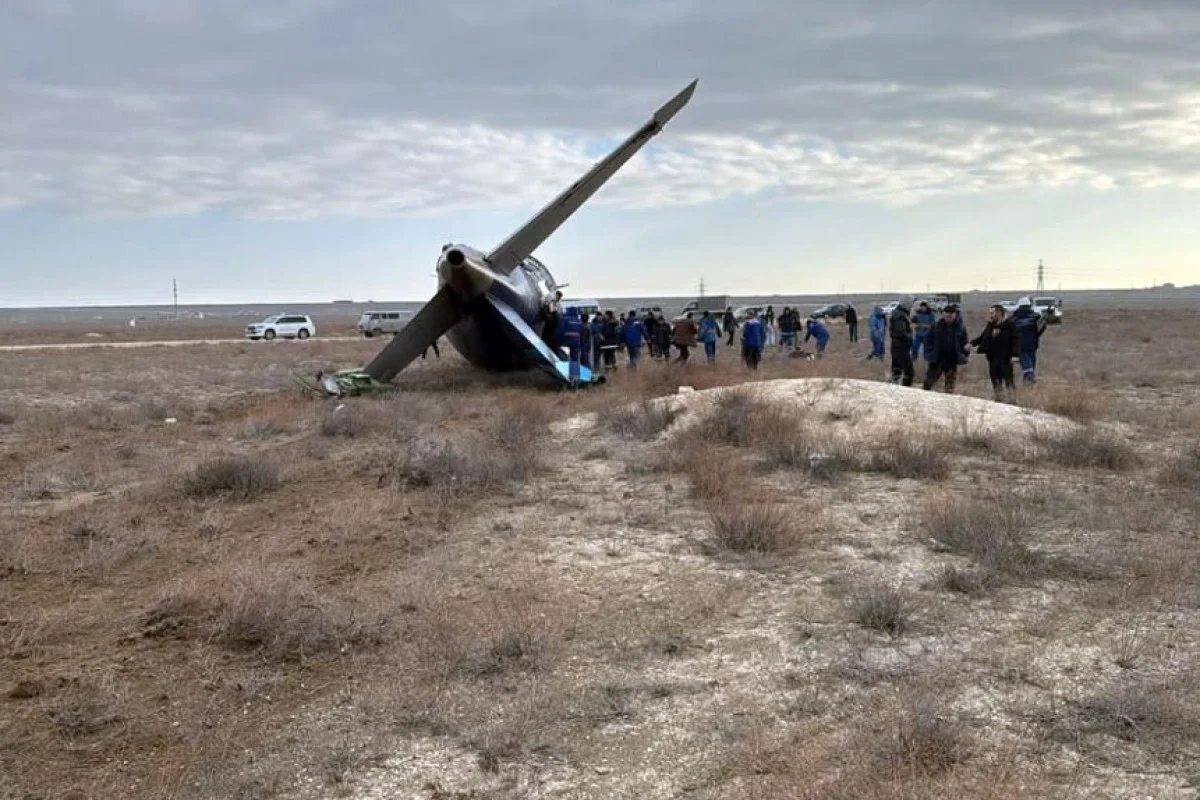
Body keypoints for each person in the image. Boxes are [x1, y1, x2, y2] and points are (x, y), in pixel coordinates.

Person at [971, 304, 1019, 401]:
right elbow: (983, 338)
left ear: (999, 313)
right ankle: (999, 398)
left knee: (1008, 380)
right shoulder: (991, 325)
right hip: (993, 358)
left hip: (1006, 358)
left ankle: (1012, 399)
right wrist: (972, 344)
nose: (991, 315)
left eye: (992, 313)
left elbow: (1016, 341)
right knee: (995, 379)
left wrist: (1015, 355)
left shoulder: (1010, 325)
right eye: (991, 313)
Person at [923, 304, 969, 393]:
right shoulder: (936, 326)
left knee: (950, 385)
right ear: (943, 315)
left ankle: (949, 401)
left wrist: (964, 355)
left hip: (952, 358)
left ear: (955, 315)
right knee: (929, 382)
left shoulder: (960, 328)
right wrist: (930, 352)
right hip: (937, 357)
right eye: (947, 316)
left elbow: (964, 343)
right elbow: (928, 340)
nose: (949, 318)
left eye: (951, 316)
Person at [1011, 296, 1042, 384]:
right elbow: (1041, 327)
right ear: (1029, 305)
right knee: (1031, 361)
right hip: (1032, 343)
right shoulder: (1035, 317)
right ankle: (1028, 379)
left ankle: (1029, 377)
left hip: (1019, 344)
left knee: (1025, 362)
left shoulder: (1013, 319)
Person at [889, 302, 915, 386]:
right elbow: (900, 332)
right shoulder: (900, 315)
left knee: (897, 370)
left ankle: (892, 389)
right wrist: (910, 336)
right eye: (910, 304)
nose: (911, 307)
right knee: (909, 372)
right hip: (900, 346)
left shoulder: (899, 313)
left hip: (897, 345)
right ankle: (905, 391)